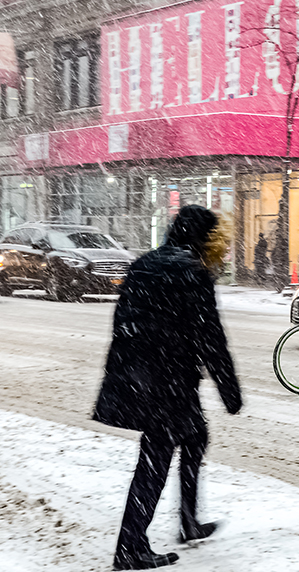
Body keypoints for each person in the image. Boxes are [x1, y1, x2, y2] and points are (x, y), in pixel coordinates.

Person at [93, 205, 243, 570]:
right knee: (155, 458)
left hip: (139, 375)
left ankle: (189, 522)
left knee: (195, 436)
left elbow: (124, 322)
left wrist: (132, 370)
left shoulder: (144, 263)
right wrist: (229, 390)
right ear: (204, 238)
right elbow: (211, 338)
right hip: (167, 381)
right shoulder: (192, 272)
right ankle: (129, 548)